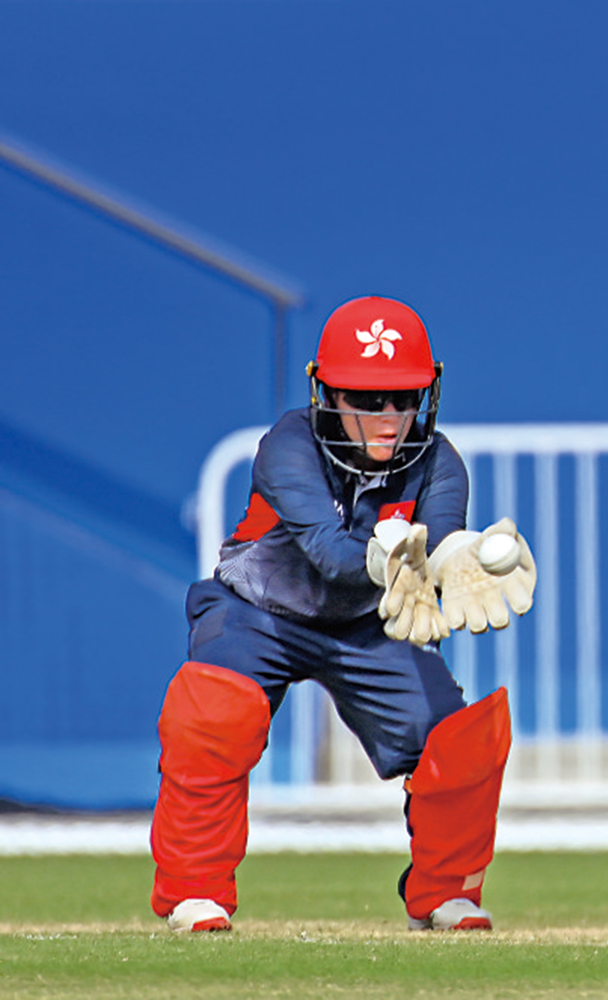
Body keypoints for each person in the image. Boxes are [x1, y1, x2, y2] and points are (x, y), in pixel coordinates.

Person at [149, 295, 537, 933]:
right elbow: (328, 554)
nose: (389, 417)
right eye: (365, 398)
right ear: (326, 394)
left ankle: (445, 893)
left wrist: (463, 555)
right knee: (213, 714)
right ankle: (196, 892)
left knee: (459, 740)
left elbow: (440, 545)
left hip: (366, 622)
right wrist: (393, 560)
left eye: (403, 398)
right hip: (260, 612)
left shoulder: (440, 462)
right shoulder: (289, 444)